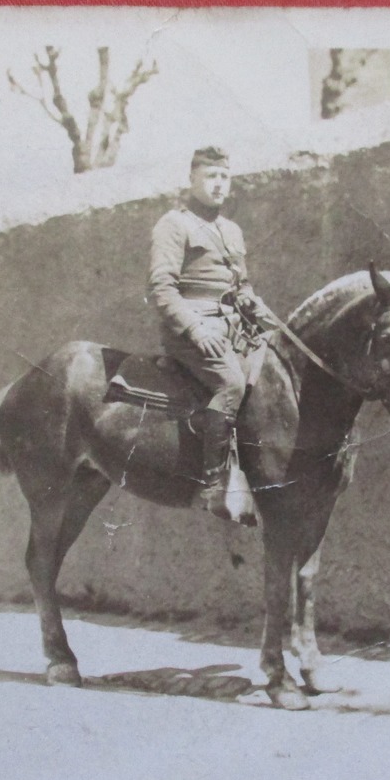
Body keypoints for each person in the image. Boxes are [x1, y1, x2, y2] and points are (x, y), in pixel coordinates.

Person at [148, 146, 276, 516]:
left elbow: (241, 285)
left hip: (234, 326)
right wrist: (196, 329)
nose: (219, 184)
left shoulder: (231, 230)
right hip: (192, 329)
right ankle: (214, 484)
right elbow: (162, 290)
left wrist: (253, 303)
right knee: (231, 384)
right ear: (192, 180)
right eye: (210, 177)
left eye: (224, 176)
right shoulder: (174, 225)